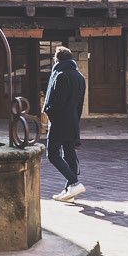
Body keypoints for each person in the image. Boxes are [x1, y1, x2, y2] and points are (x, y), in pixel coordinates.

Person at [43, 46, 86, 201]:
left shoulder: (60, 75)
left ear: (57, 59)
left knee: (52, 155)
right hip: (73, 121)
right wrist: (76, 120)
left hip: (59, 122)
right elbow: (80, 104)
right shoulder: (80, 77)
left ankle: (74, 183)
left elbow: (57, 102)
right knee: (69, 155)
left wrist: (49, 114)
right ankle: (70, 190)